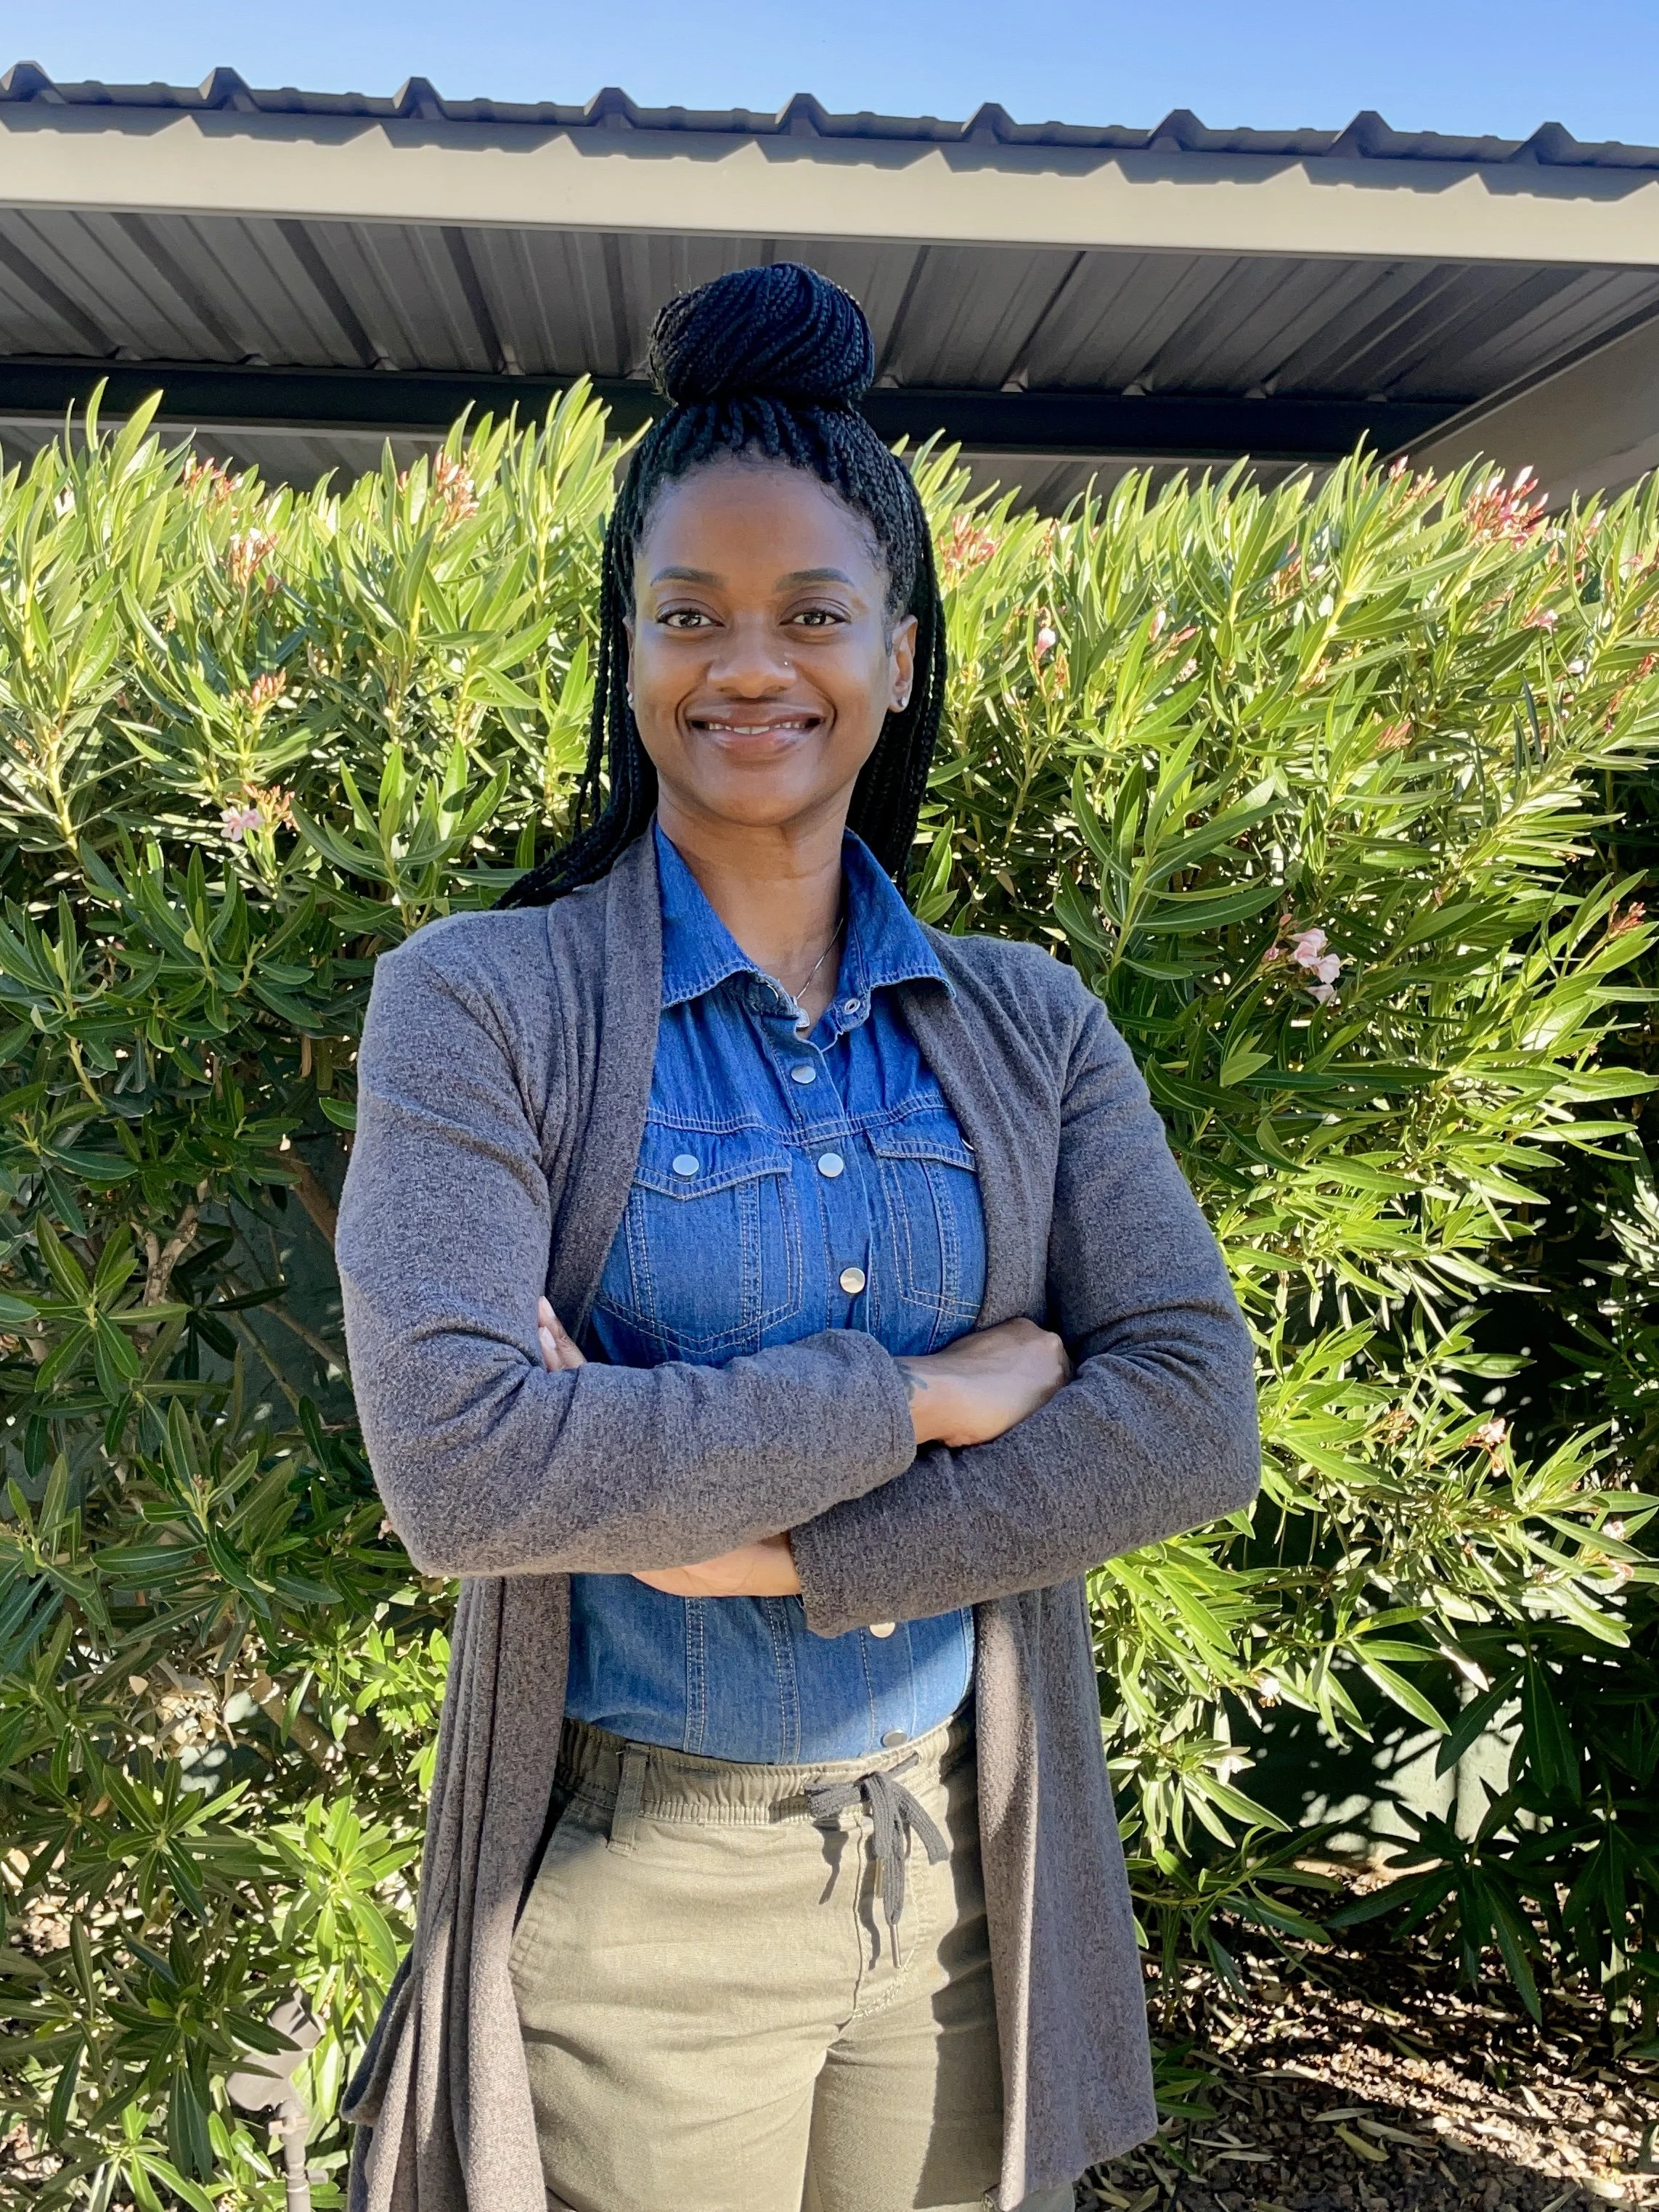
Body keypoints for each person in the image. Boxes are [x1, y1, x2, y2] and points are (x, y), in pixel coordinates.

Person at [335, 263, 1260, 2212]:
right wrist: (934, 1392)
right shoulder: (484, 1004)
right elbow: (469, 1468)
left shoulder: (1029, 1023)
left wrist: (753, 1545)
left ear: (899, 656)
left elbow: (1187, 1409)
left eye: (811, 613)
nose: (749, 664)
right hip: (643, 1898)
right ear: (629, 650)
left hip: (956, 1877)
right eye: (690, 614)